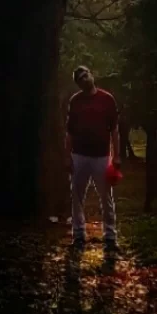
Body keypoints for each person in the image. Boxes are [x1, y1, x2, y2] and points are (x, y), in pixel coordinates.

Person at [65, 64, 120, 251]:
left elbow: (114, 130)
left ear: (92, 75)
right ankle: (79, 235)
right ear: (78, 84)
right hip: (79, 155)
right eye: (80, 78)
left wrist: (117, 156)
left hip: (102, 156)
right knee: (76, 196)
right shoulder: (75, 101)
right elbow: (69, 132)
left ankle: (110, 237)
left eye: (86, 74)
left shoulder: (107, 99)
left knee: (106, 197)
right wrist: (67, 157)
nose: (84, 79)